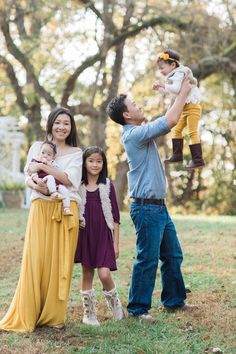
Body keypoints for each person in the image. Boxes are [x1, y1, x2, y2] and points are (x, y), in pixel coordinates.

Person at [106, 77, 197, 322]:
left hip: (158, 207)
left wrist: (173, 92)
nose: (139, 106)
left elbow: (168, 117)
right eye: (134, 104)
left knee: (172, 255)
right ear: (127, 115)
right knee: (147, 258)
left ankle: (174, 301)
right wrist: (184, 91)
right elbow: (170, 120)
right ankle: (138, 309)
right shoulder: (133, 135)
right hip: (146, 208)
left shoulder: (139, 133)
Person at [0, 107, 82, 332]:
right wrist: (35, 183)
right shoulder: (37, 146)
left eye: (66, 123)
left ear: (71, 127)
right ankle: (29, 313)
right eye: (58, 122)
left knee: (59, 264)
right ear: (51, 124)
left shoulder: (76, 153)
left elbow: (68, 179)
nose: (61, 127)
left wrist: (44, 166)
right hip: (40, 207)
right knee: (35, 260)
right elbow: (28, 175)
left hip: (65, 209)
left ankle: (54, 317)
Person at [74, 146, 124, 326]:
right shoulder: (78, 186)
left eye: (99, 161)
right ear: (84, 163)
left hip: (103, 235)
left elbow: (116, 218)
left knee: (104, 274)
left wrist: (116, 244)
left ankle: (115, 305)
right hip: (85, 234)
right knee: (87, 272)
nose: (95, 164)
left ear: (104, 164)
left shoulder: (107, 186)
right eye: (91, 161)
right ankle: (89, 314)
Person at [153, 49, 205, 169]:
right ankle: (177, 154)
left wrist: (162, 84)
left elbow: (175, 89)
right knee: (176, 130)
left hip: (192, 106)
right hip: (184, 108)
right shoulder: (172, 75)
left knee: (192, 131)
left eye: (162, 68)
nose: (160, 71)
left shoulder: (180, 73)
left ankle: (198, 159)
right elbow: (171, 92)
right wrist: (159, 89)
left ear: (172, 65)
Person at [31, 140, 73, 216]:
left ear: (53, 157)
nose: (45, 156)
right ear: (39, 153)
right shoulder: (36, 161)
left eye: (49, 154)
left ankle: (66, 208)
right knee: (50, 177)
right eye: (43, 153)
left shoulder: (53, 164)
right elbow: (32, 173)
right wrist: (37, 179)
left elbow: (58, 171)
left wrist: (49, 165)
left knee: (65, 191)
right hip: (43, 181)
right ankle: (53, 194)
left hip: (55, 185)